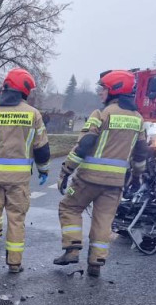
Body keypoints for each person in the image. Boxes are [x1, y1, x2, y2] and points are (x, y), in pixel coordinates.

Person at [54, 70, 149, 277]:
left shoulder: (101, 114)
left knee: (69, 207)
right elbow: (142, 152)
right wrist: (137, 176)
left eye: (102, 89)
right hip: (115, 183)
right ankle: (96, 262)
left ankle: (72, 248)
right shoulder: (138, 119)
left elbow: (84, 144)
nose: (100, 93)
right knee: (104, 220)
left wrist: (66, 170)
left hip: (88, 179)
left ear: (113, 90)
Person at [0, 68, 50, 273]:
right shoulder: (33, 115)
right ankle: (14, 263)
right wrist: (43, 170)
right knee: (16, 219)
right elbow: (42, 148)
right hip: (19, 181)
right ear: (24, 90)